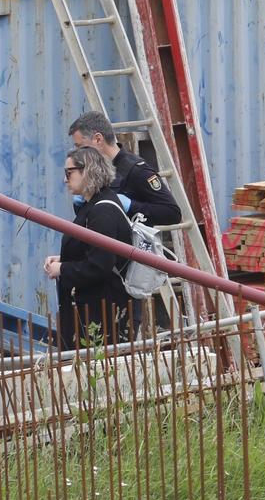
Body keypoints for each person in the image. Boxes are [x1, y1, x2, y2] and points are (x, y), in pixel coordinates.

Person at [46, 147, 137, 348]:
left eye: (69, 173)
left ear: (87, 171)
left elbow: (99, 264)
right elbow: (91, 251)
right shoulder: (94, 205)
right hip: (93, 311)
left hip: (101, 317)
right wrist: (62, 259)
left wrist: (62, 269)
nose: (65, 179)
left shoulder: (102, 210)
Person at [68, 111, 183, 229]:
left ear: (98, 139)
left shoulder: (137, 171)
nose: (78, 152)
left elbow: (172, 213)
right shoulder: (92, 170)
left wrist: (131, 206)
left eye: (80, 146)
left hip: (127, 245)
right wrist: (80, 205)